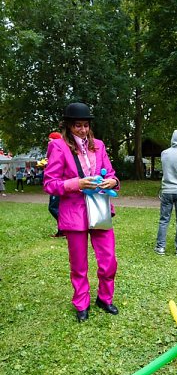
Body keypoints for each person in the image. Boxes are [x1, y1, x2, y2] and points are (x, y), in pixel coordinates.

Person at [43, 102, 120, 323]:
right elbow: (50, 184)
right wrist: (78, 183)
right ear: (68, 126)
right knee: (79, 265)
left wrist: (112, 181)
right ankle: (81, 303)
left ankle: (105, 299)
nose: (83, 130)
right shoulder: (58, 147)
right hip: (74, 213)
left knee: (109, 260)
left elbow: (113, 174)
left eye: (86, 125)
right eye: (78, 125)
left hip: (100, 210)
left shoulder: (99, 145)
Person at [154, 130, 177, 256]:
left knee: (164, 220)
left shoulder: (164, 153)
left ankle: (160, 247)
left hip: (166, 190)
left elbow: (163, 170)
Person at [46, 132, 64, 238]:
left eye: (50, 140)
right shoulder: (54, 150)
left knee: (53, 207)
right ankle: (61, 231)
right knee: (57, 207)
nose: (49, 142)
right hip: (56, 182)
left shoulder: (57, 150)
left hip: (58, 183)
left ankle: (65, 228)